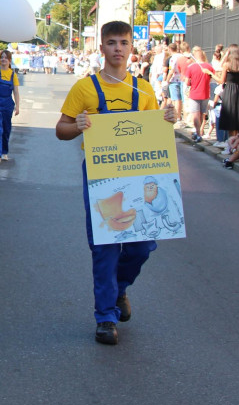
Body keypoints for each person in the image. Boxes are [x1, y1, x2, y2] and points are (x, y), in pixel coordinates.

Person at [55, 20, 175, 346]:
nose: (118, 48)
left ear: (131, 48)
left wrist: (168, 121)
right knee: (105, 247)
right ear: (102, 47)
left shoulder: (145, 89)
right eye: (112, 42)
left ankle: (120, 288)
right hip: (100, 176)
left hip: (138, 174)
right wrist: (77, 125)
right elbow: (60, 129)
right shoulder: (85, 88)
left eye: (123, 42)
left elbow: (158, 135)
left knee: (142, 245)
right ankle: (105, 317)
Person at [212, 45, 239, 141]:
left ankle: (230, 142)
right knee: (236, 115)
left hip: (229, 89)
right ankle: (236, 141)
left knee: (229, 115)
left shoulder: (227, 65)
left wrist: (212, 75)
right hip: (237, 89)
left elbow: (221, 80)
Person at [184, 47, 215, 142]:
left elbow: (187, 82)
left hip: (194, 93)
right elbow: (211, 78)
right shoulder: (209, 67)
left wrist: (191, 83)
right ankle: (200, 130)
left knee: (195, 114)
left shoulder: (191, 67)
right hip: (205, 93)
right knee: (201, 114)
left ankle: (197, 132)